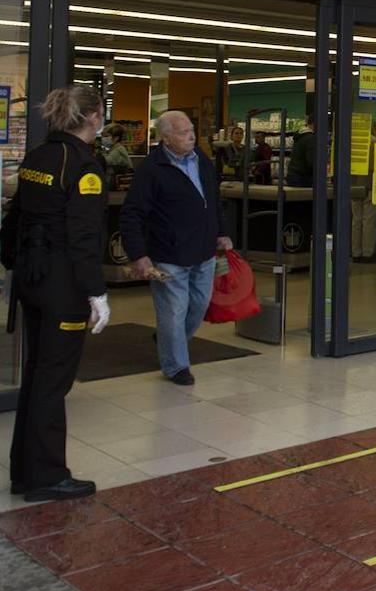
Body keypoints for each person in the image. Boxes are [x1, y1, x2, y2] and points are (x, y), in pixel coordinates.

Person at [1, 87, 111, 502]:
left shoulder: (40, 156)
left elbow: (17, 215)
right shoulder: (83, 165)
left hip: (32, 277)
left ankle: (25, 472)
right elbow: (83, 236)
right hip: (62, 285)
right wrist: (96, 293)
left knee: (36, 374)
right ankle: (47, 475)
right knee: (53, 380)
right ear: (94, 118)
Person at [120, 111, 232, 386]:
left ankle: (170, 338)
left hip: (203, 250)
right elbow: (132, 213)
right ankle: (176, 366)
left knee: (198, 305)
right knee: (173, 311)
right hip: (168, 254)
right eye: (183, 132)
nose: (192, 136)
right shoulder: (151, 169)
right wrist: (139, 255)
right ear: (166, 138)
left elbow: (213, 198)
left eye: (192, 130)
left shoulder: (201, 160)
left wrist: (222, 232)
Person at [351, 121, 376, 263]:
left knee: (356, 220)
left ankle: (355, 252)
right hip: (370, 184)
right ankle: (367, 253)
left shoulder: (351, 141)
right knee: (369, 221)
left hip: (354, 184)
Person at [287, 116, 316, 188]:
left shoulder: (300, 136)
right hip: (303, 178)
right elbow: (311, 161)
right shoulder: (311, 138)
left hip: (293, 175)